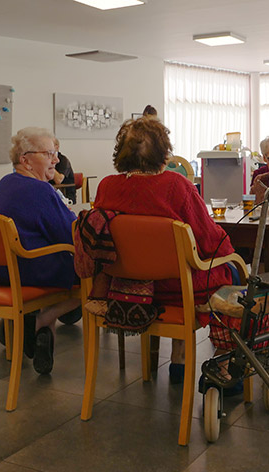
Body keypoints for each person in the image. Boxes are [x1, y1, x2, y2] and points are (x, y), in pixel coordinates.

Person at [92, 116, 236, 385]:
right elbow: (208, 240)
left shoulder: (107, 186)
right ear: (164, 153)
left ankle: (179, 358)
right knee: (232, 275)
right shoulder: (176, 185)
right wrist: (229, 252)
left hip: (125, 287)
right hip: (177, 288)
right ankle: (225, 369)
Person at [0, 127, 80, 375]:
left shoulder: (5, 183)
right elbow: (70, 235)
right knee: (96, 276)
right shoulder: (40, 190)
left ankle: (34, 328)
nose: (56, 160)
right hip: (31, 269)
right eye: (49, 153)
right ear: (25, 159)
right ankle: (41, 322)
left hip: (1, 269)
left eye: (56, 153)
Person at [49, 138, 76, 204]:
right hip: (51, 193)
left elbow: (58, 180)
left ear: (57, 148)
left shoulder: (64, 160)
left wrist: (49, 163)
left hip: (66, 196)